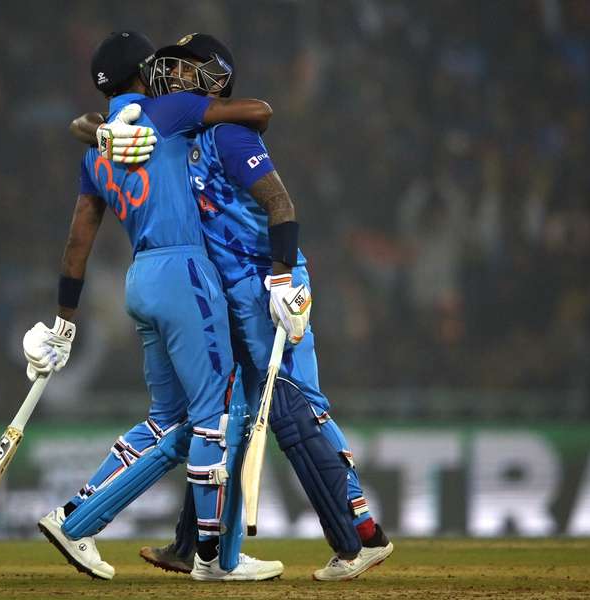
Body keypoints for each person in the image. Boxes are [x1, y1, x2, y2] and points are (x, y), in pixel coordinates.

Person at [70, 33, 394, 581]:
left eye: (185, 68)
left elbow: (281, 205)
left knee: (293, 411)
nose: (170, 76)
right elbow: (91, 124)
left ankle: (360, 535)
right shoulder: (172, 130)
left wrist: (284, 277)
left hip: (266, 285)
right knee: (231, 419)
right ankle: (193, 545)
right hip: (229, 292)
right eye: (167, 68)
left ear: (213, 79)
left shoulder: (227, 132)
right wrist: (97, 128)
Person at [22, 31, 283, 582]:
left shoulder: (97, 149)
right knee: (219, 415)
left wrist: (63, 324)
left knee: (168, 421)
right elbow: (257, 113)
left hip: (138, 280)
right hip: (185, 270)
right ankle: (214, 559)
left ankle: (75, 519)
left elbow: (77, 244)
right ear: (143, 72)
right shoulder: (169, 109)